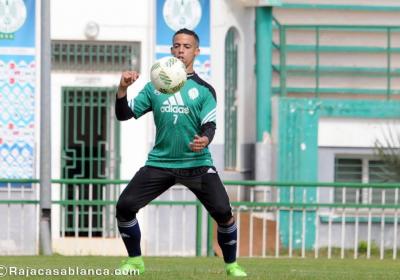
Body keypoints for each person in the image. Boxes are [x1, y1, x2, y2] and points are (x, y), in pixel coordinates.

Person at [115, 28, 247, 277]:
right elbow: (123, 114)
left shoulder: (204, 90)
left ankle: (231, 265)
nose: (180, 50)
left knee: (223, 214)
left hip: (196, 164)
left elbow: (210, 125)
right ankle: (135, 262)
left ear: (196, 52)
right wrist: (122, 89)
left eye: (186, 46)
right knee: (125, 206)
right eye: (176, 45)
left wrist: (205, 140)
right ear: (171, 50)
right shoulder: (155, 86)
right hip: (161, 163)